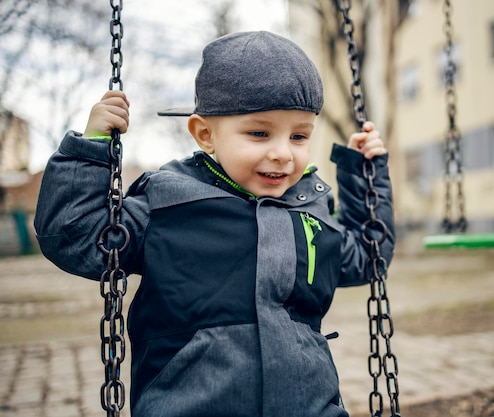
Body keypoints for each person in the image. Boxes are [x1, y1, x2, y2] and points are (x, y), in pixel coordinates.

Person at [35, 31, 394, 417]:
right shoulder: (169, 205)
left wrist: (364, 176)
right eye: (259, 133)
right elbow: (75, 236)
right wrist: (91, 148)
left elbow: (367, 258)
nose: (282, 153)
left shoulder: (310, 212)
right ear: (205, 134)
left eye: (299, 135)